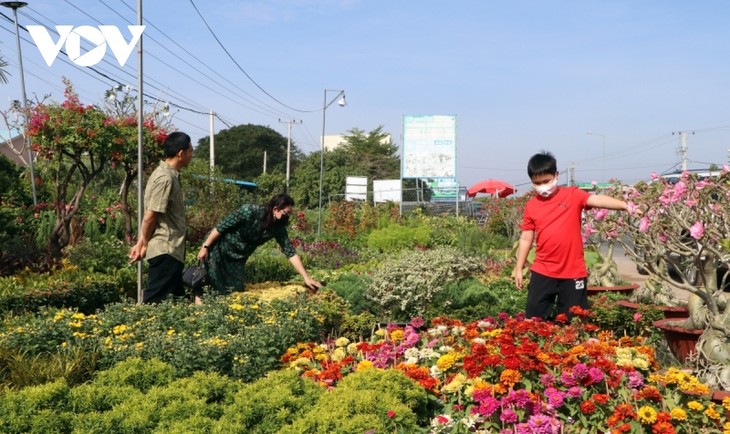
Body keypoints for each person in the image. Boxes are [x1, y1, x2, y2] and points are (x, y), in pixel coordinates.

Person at [513, 151, 628, 320]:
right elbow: (526, 238)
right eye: (537, 183)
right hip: (543, 271)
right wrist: (518, 268)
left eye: (546, 181)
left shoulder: (573, 195)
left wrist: (626, 206)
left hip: (573, 272)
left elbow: (597, 200)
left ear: (556, 175)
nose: (542, 186)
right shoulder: (531, 205)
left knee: (574, 323)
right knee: (533, 322)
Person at [196, 193, 322, 296]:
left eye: (289, 214)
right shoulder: (249, 211)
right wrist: (205, 246)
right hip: (219, 250)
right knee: (209, 284)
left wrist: (306, 277)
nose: (287, 217)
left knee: (235, 291)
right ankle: (197, 315)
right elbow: (221, 227)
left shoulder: (277, 227)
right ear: (276, 209)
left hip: (238, 259)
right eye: (285, 213)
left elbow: (290, 251)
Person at [128, 131, 193, 303]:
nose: (192, 155)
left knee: (177, 302)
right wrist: (142, 243)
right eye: (190, 151)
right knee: (154, 303)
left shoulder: (171, 175)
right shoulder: (165, 178)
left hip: (172, 250)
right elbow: (150, 215)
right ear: (181, 153)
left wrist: (141, 242)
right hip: (165, 249)